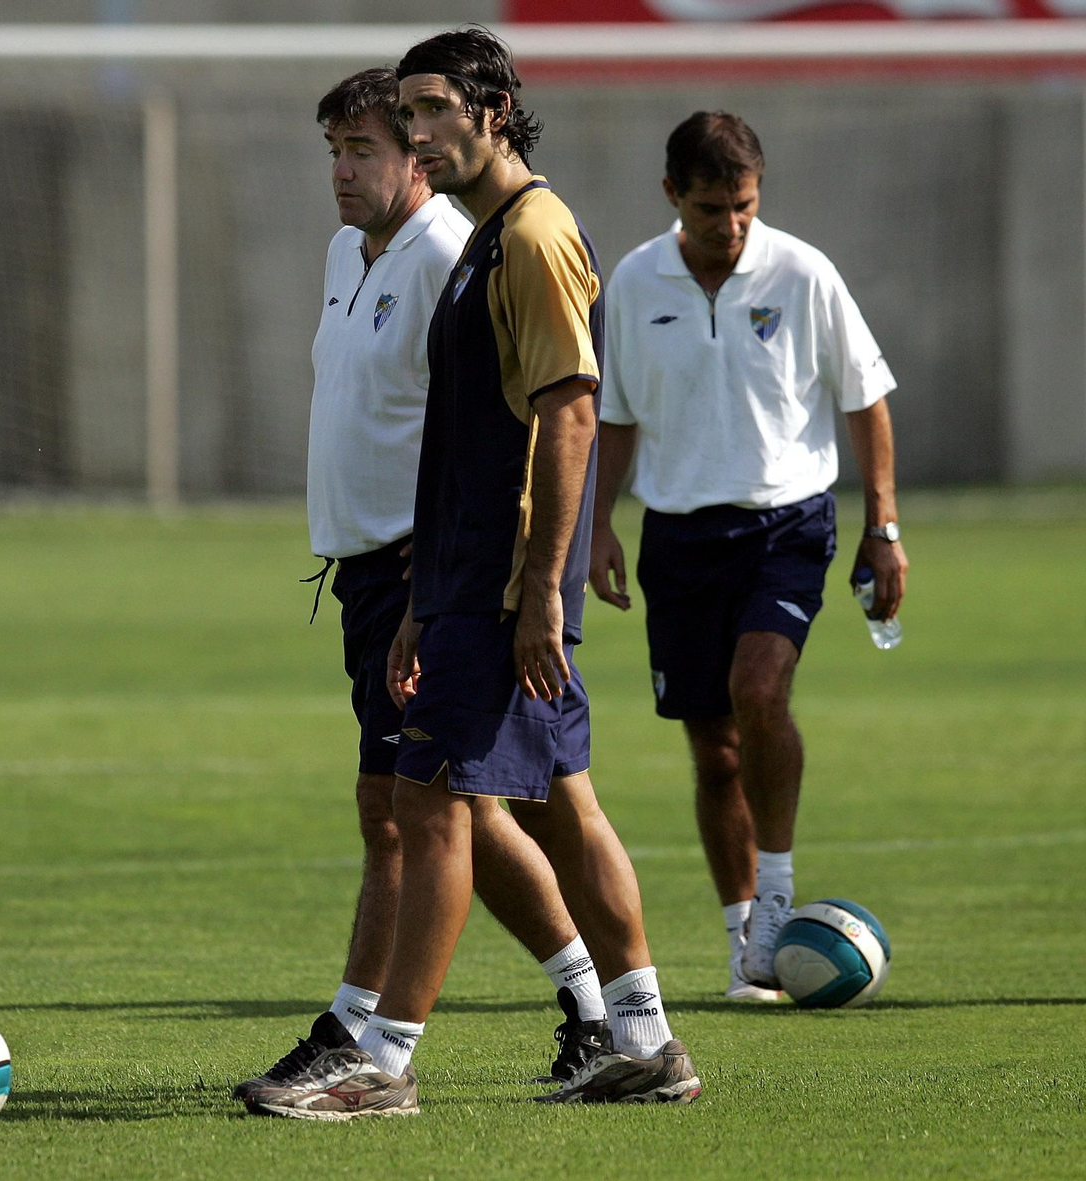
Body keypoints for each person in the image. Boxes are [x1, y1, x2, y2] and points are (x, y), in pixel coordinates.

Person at [248, 31, 699, 1119]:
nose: (416, 133)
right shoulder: (492, 237)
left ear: (496, 109)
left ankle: (383, 1057)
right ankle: (637, 1037)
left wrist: (536, 587)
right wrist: (422, 595)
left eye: (433, 109)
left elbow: (571, 412)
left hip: (497, 584)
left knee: (427, 801)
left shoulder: (529, 234)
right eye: (404, 113)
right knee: (551, 803)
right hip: (454, 579)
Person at [589, 111, 907, 998]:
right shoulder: (633, 279)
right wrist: (598, 524)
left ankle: (777, 892)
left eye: (743, 207)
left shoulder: (802, 272)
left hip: (787, 525)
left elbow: (866, 397)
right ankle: (746, 944)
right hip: (680, 535)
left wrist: (882, 525)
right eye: (708, 210)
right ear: (670, 197)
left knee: (758, 688)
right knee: (713, 749)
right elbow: (613, 416)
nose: (729, 227)